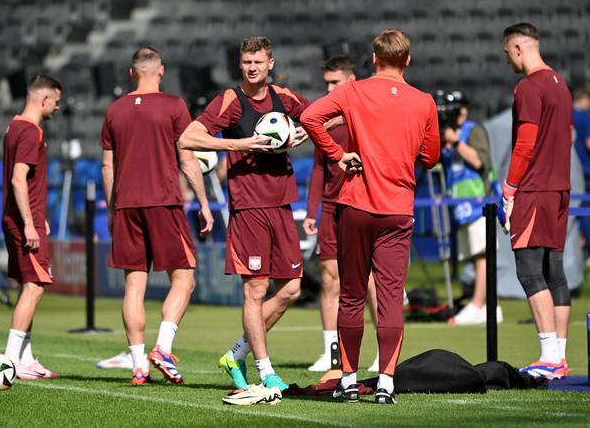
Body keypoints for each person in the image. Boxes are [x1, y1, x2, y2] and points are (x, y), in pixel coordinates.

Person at [301, 28, 440, 404]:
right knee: (391, 298)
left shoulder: (353, 90)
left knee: (350, 295)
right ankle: (386, 384)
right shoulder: (424, 101)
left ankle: (347, 380)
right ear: (407, 60)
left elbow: (310, 117)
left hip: (356, 205)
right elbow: (430, 157)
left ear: (375, 59)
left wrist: (337, 154)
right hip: (397, 209)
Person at [179, 36, 309, 394]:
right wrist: (241, 143)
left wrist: (303, 131)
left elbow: (326, 116)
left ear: (270, 63)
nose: (252, 68)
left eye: (258, 62)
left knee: (292, 289)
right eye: (246, 62)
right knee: (255, 289)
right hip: (248, 208)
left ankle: (236, 354)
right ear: (241, 65)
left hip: (282, 203)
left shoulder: (284, 98)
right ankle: (265, 371)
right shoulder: (230, 102)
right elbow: (188, 138)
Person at [99, 47, 214, 385]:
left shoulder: (115, 110)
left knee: (134, 285)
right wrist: (205, 204)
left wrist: (112, 210)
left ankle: (138, 365)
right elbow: (188, 160)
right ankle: (162, 348)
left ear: (131, 72)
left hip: (127, 206)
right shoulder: (174, 106)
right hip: (163, 202)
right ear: (161, 70)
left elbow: (108, 167)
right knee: (184, 278)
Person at [500, 22, 572, 379]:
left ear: (517, 49)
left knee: (529, 271)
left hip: (535, 189)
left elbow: (525, 143)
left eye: (507, 54)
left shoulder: (529, 87)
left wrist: (510, 189)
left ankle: (549, 356)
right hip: (559, 189)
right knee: (553, 272)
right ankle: (559, 357)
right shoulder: (560, 84)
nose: (509, 62)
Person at [303, 56, 381, 372]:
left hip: (363, 205)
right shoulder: (323, 122)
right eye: (326, 84)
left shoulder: (368, 115)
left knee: (372, 280)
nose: (329, 89)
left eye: (335, 83)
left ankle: (381, 351)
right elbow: (320, 169)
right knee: (330, 279)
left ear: (351, 82)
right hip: (331, 210)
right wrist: (312, 211)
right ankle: (331, 351)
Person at [2, 74, 62, 379]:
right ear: (44, 98)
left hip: (20, 216)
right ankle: (10, 362)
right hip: (24, 221)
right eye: (56, 101)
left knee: (31, 286)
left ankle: (24, 357)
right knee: (35, 287)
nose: (57, 108)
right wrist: (30, 223)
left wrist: (39, 216)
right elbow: (17, 178)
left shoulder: (13, 126)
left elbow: (26, 181)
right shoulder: (30, 131)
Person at [437, 91, 503, 325]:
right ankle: (486, 306)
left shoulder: (472, 130)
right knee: (475, 256)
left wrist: (455, 141)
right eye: (457, 108)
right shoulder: (447, 134)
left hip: (479, 203)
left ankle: (479, 304)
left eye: (464, 107)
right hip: (461, 205)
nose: (461, 112)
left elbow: (479, 161)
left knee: (481, 255)